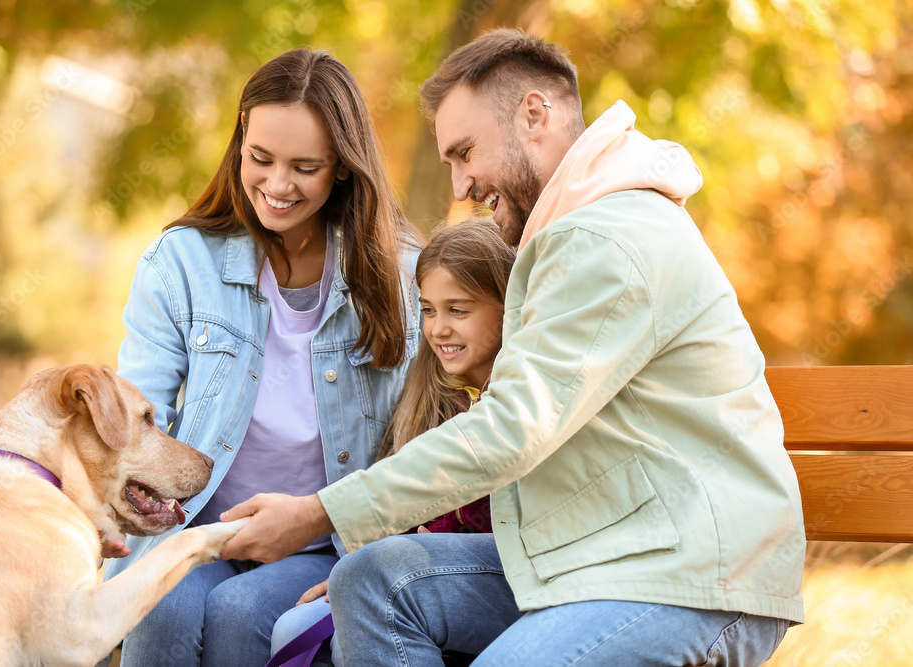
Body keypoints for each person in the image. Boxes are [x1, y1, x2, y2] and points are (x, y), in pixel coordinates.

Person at [219, 29, 806, 666]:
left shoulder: (609, 237)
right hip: (592, 558)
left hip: (684, 576)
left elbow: (511, 429)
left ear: (534, 114)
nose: (460, 184)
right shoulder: (570, 234)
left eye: (466, 152)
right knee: (373, 581)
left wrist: (319, 512)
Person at [102, 48, 421, 666]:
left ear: (344, 170)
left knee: (242, 612)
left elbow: (421, 438)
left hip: (327, 539)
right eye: (261, 159)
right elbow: (137, 417)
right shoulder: (182, 263)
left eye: (306, 167)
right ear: (239, 147)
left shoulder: (400, 276)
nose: (277, 186)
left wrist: (372, 553)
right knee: (159, 602)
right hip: (202, 528)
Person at [266, 218, 514, 667]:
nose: (438, 329)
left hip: (491, 578)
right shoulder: (430, 394)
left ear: (508, 306)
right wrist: (351, 580)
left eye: (458, 310)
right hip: (409, 567)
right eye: (429, 310)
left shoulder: (522, 401)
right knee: (295, 628)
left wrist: (383, 570)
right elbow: (401, 504)